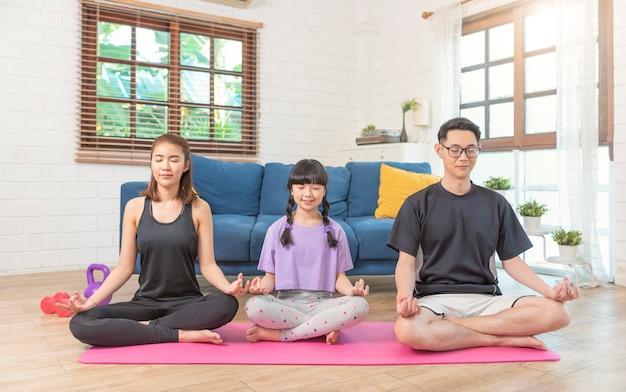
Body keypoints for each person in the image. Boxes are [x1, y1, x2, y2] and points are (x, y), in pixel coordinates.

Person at [389, 117, 579, 352]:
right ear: (439, 150)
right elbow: (406, 262)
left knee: (558, 312)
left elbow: (511, 262)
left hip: (486, 299)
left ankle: (457, 326)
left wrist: (550, 292)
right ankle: (498, 338)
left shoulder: (496, 203)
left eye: (471, 150)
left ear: (478, 150)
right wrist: (405, 298)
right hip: (434, 299)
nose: (463, 157)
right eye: (455, 149)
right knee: (406, 330)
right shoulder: (415, 204)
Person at [64, 133, 250, 346]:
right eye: (159, 159)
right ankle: (179, 334)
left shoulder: (200, 208)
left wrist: (227, 288)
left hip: (187, 303)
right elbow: (124, 267)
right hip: (145, 302)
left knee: (226, 304)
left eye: (174, 159)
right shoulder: (134, 207)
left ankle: (147, 329)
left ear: (186, 165)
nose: (166, 166)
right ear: (151, 163)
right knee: (82, 322)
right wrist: (91, 302)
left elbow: (208, 265)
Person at [245, 159, 369, 345]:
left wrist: (352, 291)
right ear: (291, 190)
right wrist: (260, 288)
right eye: (301, 187)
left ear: (325, 191)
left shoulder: (336, 231)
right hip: (286, 304)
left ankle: (282, 335)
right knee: (254, 306)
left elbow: (339, 278)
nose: (308, 194)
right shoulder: (276, 230)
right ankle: (321, 328)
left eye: (316, 187)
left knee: (360, 306)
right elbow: (270, 278)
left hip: (323, 304)